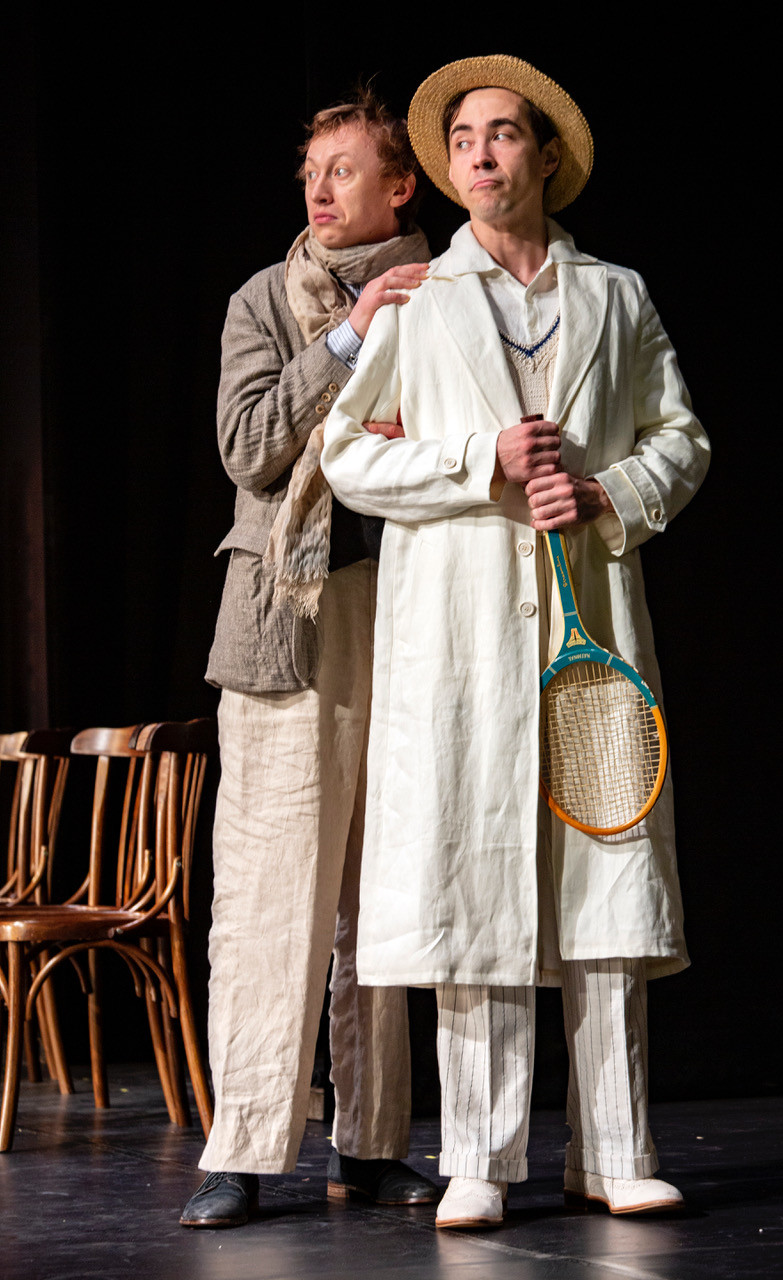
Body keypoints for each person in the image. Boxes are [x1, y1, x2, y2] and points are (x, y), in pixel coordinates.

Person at [322, 56, 710, 1230]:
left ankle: (614, 1149)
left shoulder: (617, 295)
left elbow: (681, 438)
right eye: (463, 139)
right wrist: (474, 462)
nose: (480, 153)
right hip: (461, 633)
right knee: (475, 873)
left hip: (591, 620)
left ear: (543, 155)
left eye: (500, 133)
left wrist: (605, 493)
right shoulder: (417, 298)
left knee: (603, 867)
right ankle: (479, 1159)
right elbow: (346, 451)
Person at [180, 89, 438, 1228]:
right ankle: (242, 1148)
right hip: (286, 619)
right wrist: (348, 338)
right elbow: (248, 448)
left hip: (409, 613)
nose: (320, 190)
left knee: (382, 892)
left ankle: (373, 1142)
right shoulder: (264, 299)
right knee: (269, 889)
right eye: (311, 172)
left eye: (344, 169)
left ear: (400, 187)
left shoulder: (450, 291)